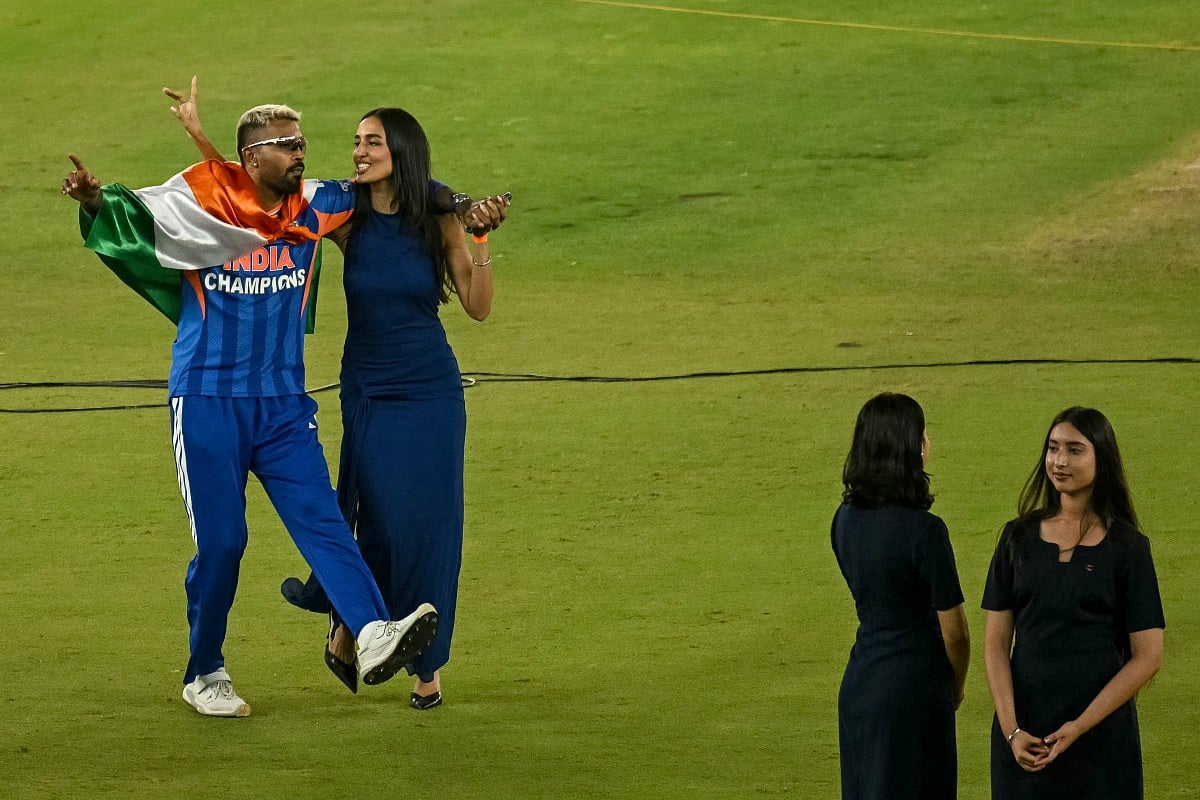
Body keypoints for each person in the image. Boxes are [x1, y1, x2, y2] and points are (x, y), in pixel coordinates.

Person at [60, 102, 443, 718]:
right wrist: (93, 201)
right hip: (207, 400)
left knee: (323, 521)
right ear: (251, 158)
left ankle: (372, 631)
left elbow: (394, 185)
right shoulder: (200, 209)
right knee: (223, 544)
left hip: (284, 405)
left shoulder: (317, 205)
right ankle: (204, 670)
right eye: (286, 145)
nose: (300, 153)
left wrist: (461, 205)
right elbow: (134, 218)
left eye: (301, 143)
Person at [167, 79, 509, 709]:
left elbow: (476, 300)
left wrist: (473, 224)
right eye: (355, 141)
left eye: (371, 142)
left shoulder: (436, 217)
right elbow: (250, 195)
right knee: (359, 518)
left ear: (400, 151)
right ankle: (321, 635)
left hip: (418, 386)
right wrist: (199, 135)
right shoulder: (344, 215)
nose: (356, 151)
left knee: (409, 522)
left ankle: (403, 653)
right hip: (357, 388)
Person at [982, 407, 1164, 798]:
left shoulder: (1128, 548)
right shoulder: (1016, 539)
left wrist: (1079, 726)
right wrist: (1012, 730)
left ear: (1102, 458)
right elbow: (996, 644)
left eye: (1074, 450)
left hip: (1102, 744)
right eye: (1053, 448)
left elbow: (1148, 655)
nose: (1059, 461)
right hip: (1024, 743)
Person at [831, 392, 970, 800]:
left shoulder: (843, 519)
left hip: (861, 683)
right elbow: (956, 634)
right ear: (914, 448)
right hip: (915, 690)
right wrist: (956, 684)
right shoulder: (926, 531)